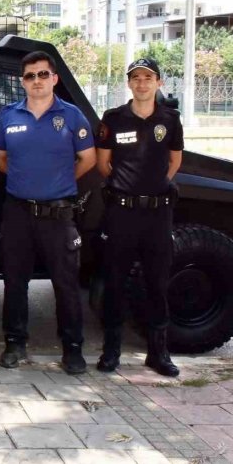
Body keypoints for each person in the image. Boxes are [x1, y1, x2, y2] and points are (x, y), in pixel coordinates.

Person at [0, 50, 96, 375]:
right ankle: (14, 343)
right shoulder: (9, 116)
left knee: (65, 284)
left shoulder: (73, 116)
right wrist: (27, 180)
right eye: (30, 76)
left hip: (58, 215)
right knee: (14, 281)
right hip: (18, 213)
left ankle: (73, 349)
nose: (36, 81)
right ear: (22, 81)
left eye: (42, 74)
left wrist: (58, 182)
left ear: (54, 78)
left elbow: (88, 159)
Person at [95, 58, 183, 377]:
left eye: (148, 78)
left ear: (159, 83)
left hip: (158, 214)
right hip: (122, 213)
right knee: (115, 282)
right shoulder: (114, 118)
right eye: (136, 78)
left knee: (157, 283)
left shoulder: (170, 119)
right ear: (129, 84)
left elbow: (174, 160)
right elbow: (104, 164)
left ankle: (158, 353)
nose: (142, 83)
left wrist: (155, 186)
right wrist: (127, 188)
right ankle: (111, 351)